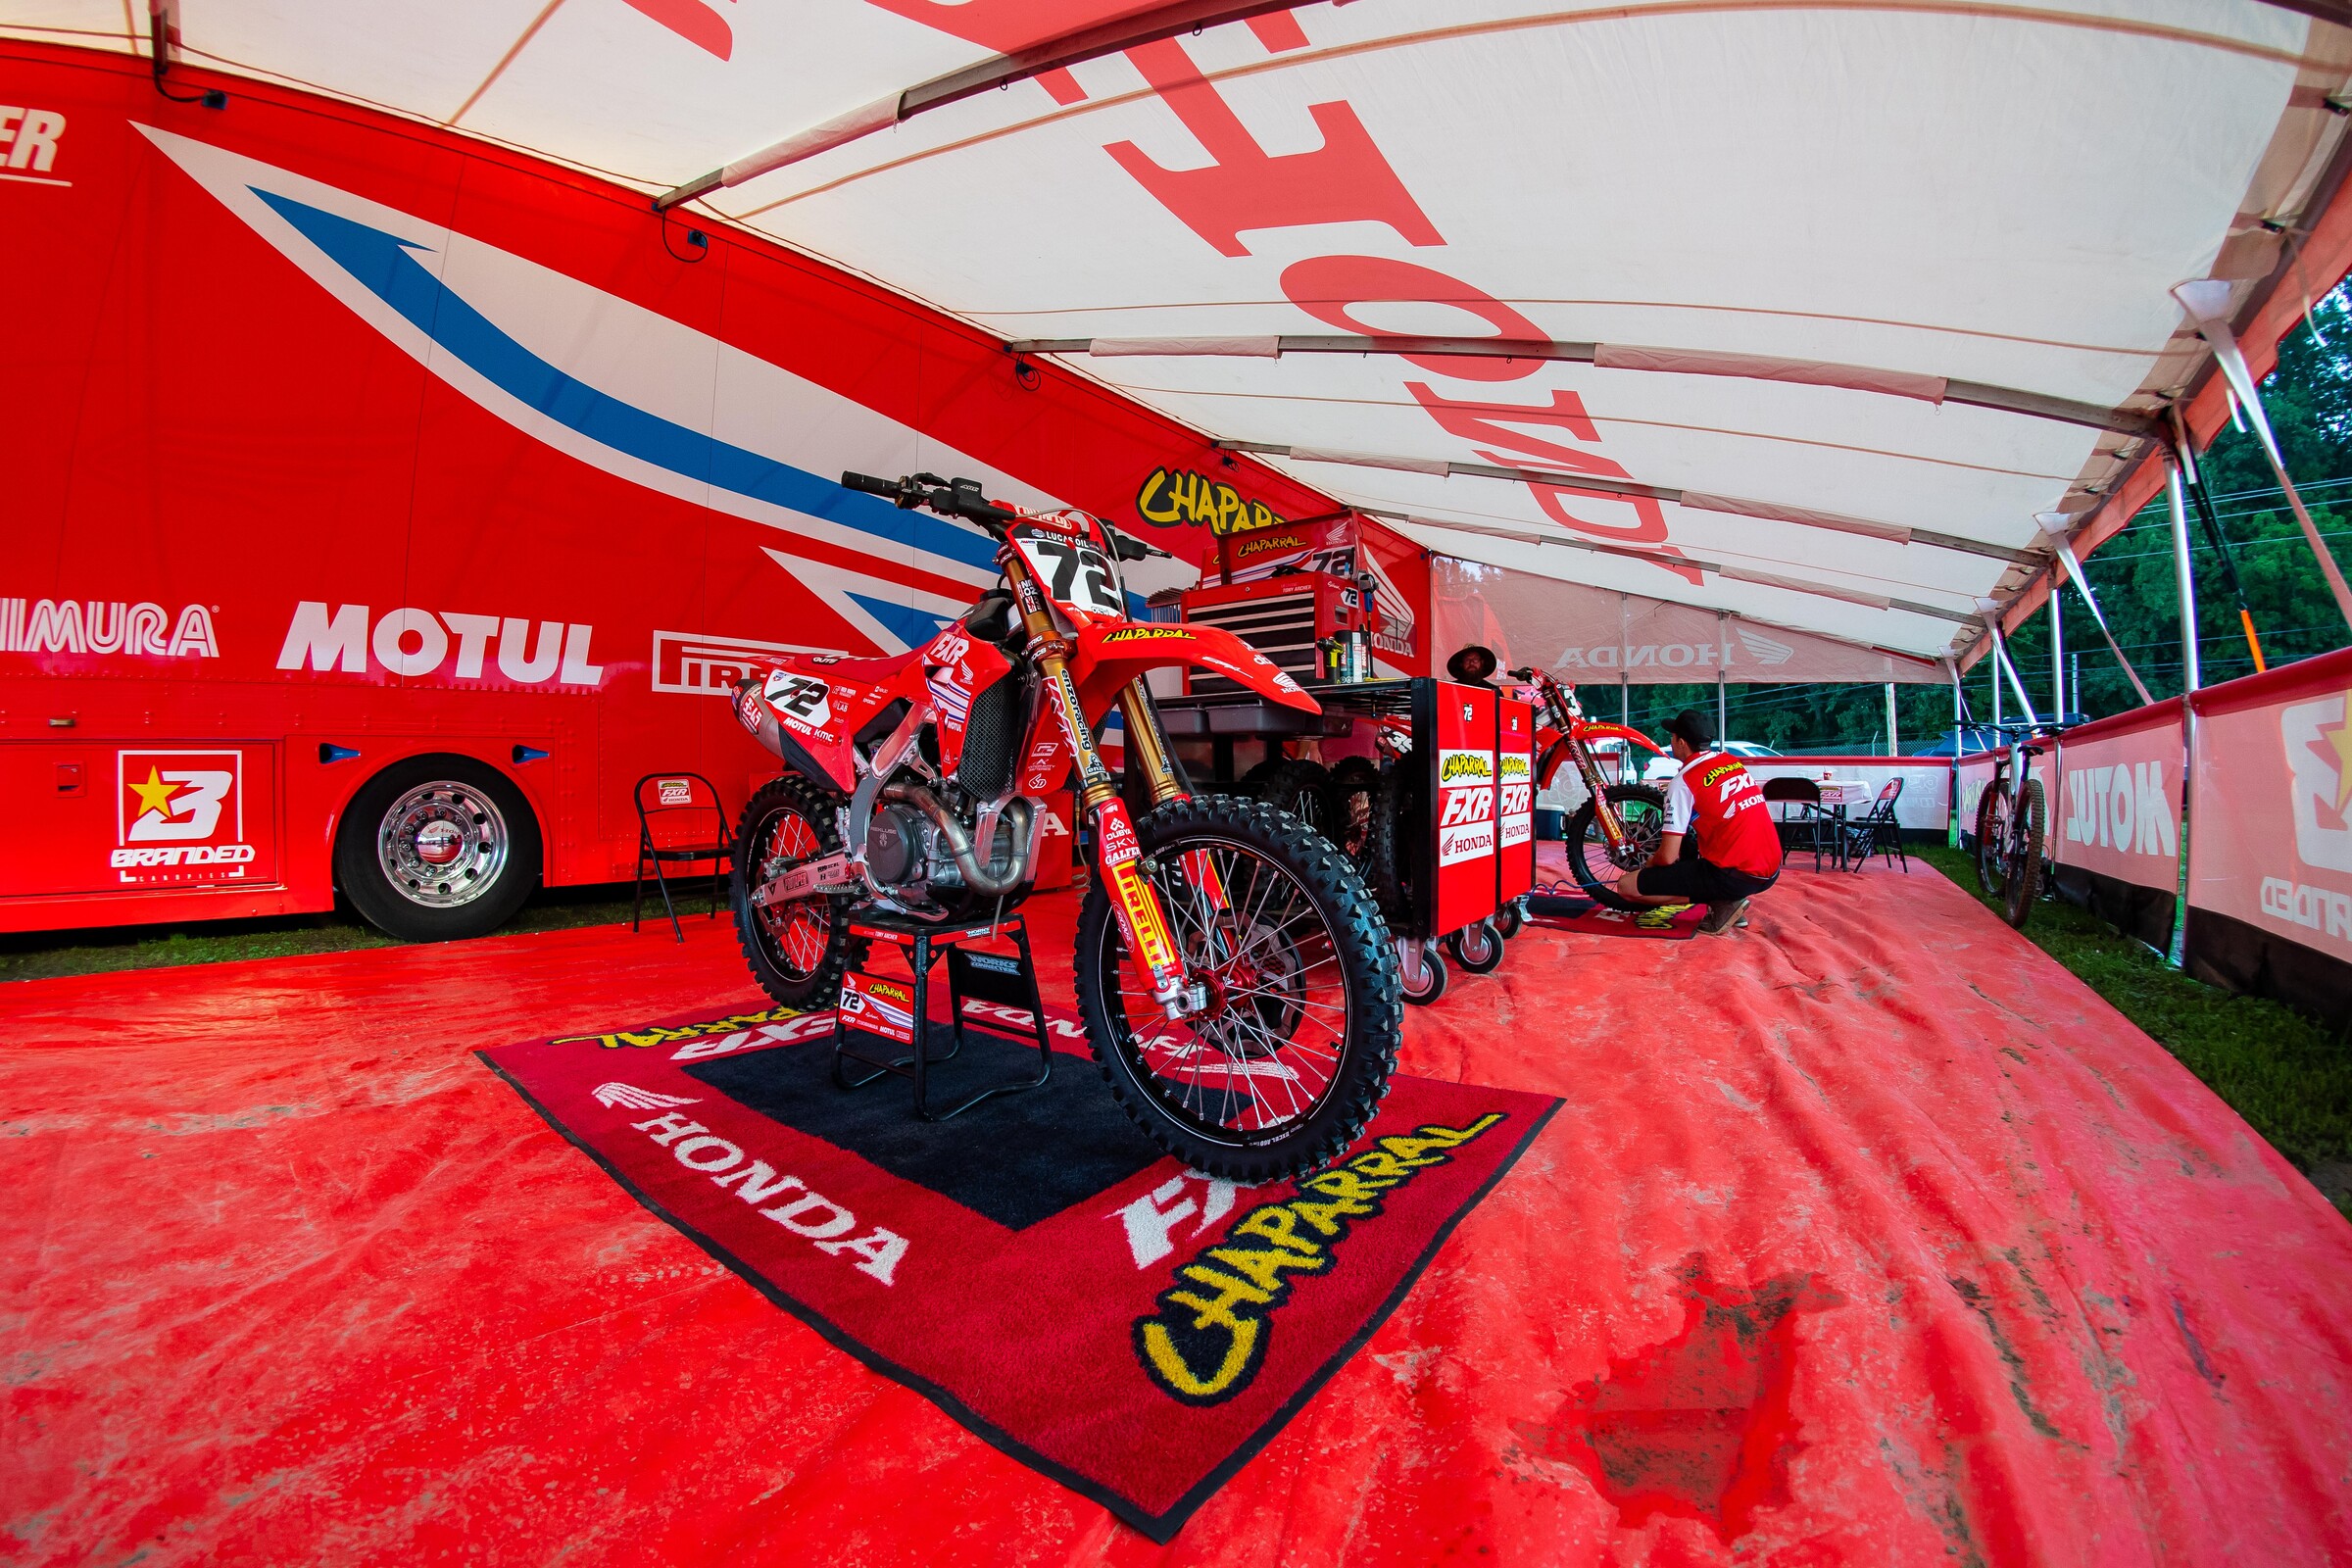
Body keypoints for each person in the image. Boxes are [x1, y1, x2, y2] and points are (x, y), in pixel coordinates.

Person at [1614, 710, 1780, 935]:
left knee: (1626, 886)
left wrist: (1648, 865)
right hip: (1770, 870)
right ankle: (1728, 897)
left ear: (1681, 742)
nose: (1671, 741)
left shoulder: (1683, 782)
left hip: (1737, 876)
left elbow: (1667, 856)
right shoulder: (1731, 762)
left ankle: (1722, 901)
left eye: (1672, 737)